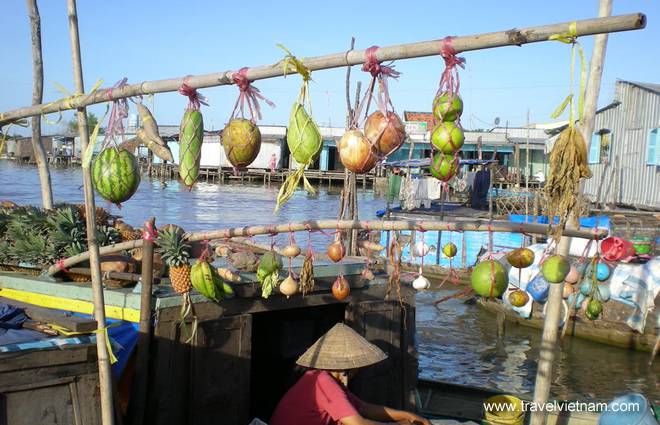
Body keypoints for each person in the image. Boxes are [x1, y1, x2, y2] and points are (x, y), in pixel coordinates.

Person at [270, 323, 431, 425]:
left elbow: (365, 408)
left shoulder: (328, 379)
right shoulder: (322, 381)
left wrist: (408, 415)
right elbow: (358, 423)